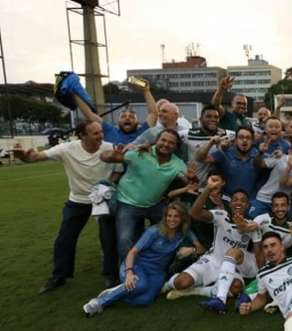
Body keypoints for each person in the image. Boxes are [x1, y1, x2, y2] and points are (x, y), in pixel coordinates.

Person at [13, 120, 120, 292]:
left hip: (103, 200)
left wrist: (106, 186)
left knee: (108, 239)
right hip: (77, 200)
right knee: (64, 239)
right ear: (82, 136)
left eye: (101, 132)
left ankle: (111, 275)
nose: (101, 136)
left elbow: (117, 169)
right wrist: (24, 156)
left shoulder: (109, 147)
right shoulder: (67, 148)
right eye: (95, 133)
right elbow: (37, 156)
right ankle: (59, 276)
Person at [82, 202, 201, 315]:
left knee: (144, 300)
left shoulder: (185, 232)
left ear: (182, 218)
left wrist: (193, 250)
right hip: (136, 265)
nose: (172, 219)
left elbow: (201, 249)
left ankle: (119, 291)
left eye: (176, 216)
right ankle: (99, 302)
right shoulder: (154, 231)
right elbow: (132, 252)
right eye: (169, 216)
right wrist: (129, 273)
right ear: (165, 217)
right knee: (140, 285)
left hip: (157, 272)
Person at [164, 182, 259, 312]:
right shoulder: (220, 216)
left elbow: (252, 238)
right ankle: (166, 285)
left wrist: (246, 228)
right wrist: (207, 189)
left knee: (236, 288)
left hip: (233, 267)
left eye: (243, 201)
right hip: (213, 260)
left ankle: (195, 291)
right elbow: (194, 213)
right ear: (230, 203)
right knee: (181, 283)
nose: (239, 203)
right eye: (235, 200)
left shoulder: (252, 225)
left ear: (248, 205)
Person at [100, 128, 187, 261]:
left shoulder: (177, 164)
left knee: (174, 229)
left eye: (171, 143)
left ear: (175, 147)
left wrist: (192, 178)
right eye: (163, 140)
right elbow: (104, 156)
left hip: (154, 204)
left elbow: (190, 180)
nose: (166, 144)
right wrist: (114, 154)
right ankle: (126, 273)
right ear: (156, 141)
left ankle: (163, 265)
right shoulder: (139, 153)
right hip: (127, 204)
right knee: (124, 240)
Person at [73, 79, 158, 146]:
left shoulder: (143, 131)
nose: (127, 118)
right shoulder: (109, 130)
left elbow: (153, 113)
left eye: (132, 117)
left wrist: (146, 91)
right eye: (123, 116)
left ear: (137, 122)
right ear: (118, 122)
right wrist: (73, 93)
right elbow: (90, 115)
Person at [196, 127, 262, 199]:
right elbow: (200, 158)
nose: (244, 140)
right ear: (235, 140)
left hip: (250, 200)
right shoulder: (225, 152)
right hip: (227, 199)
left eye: (248, 138)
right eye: (241, 137)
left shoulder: (258, 154)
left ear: (252, 141)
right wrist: (211, 143)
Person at [180, 105, 226, 183]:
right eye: (209, 116)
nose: (213, 119)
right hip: (194, 183)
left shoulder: (226, 135)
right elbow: (169, 138)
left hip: (216, 187)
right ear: (201, 119)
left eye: (216, 117)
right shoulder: (189, 134)